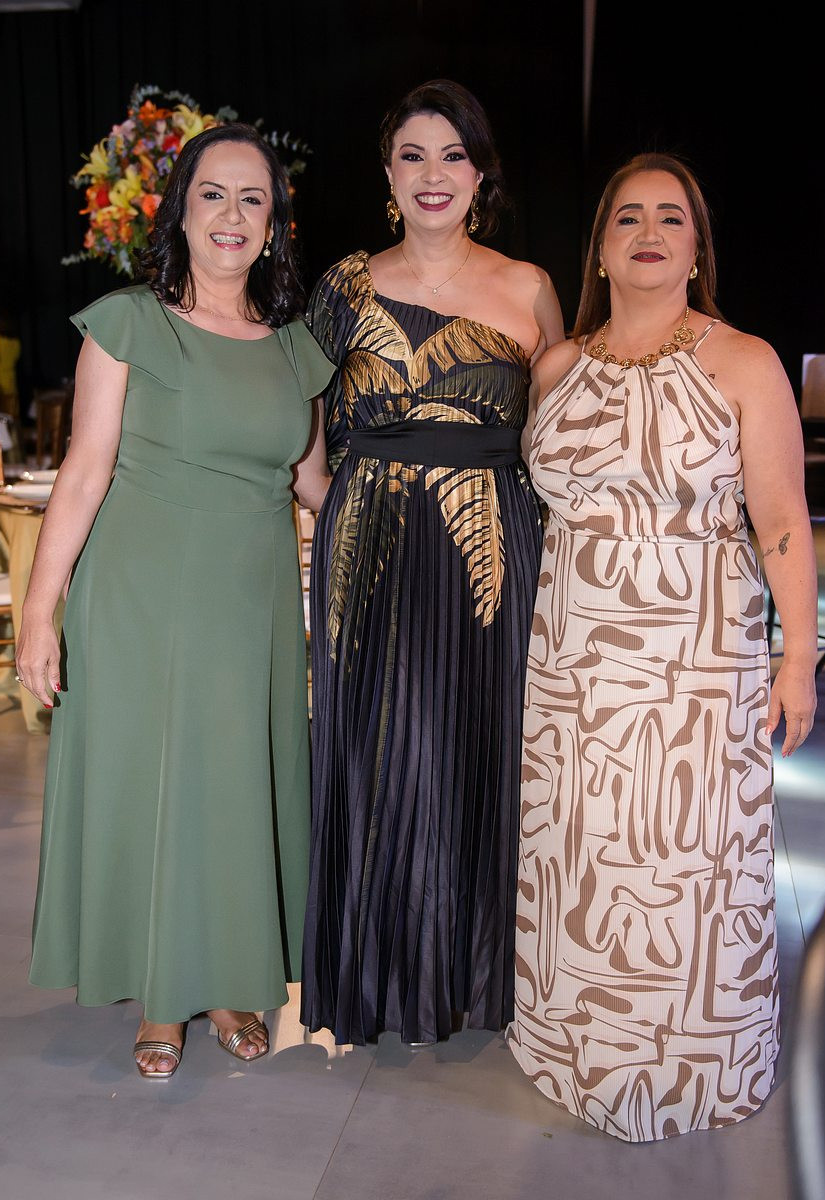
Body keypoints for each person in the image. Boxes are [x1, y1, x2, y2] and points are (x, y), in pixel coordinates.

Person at [508, 152, 817, 1140]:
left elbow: (780, 518)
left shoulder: (742, 360)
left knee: (685, 864)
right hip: (571, 664)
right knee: (582, 858)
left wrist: (796, 656)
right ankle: (574, 1048)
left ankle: (692, 1068)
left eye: (670, 218)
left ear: (695, 250)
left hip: (695, 665)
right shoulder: (554, 368)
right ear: (599, 249)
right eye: (627, 217)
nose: (648, 232)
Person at [15, 123, 334, 1078]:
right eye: (212, 194)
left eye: (252, 199)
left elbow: (315, 485)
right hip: (140, 599)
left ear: (273, 225)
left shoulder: (297, 351)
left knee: (235, 792)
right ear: (181, 213)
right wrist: (38, 612)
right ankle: (163, 999)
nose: (232, 215)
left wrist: (429, 507)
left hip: (251, 609)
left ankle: (231, 979)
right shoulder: (129, 323)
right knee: (161, 790)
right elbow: (83, 473)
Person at [301, 79, 564, 1045]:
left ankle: (472, 981)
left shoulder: (527, 287)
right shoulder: (343, 286)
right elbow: (303, 434)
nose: (432, 174)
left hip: (490, 547)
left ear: (481, 173)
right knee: (376, 752)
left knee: (476, 747)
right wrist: (344, 511)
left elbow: (562, 438)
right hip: (366, 546)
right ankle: (378, 983)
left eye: (452, 154)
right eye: (411, 155)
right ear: (386, 173)